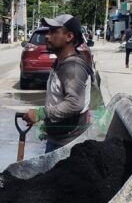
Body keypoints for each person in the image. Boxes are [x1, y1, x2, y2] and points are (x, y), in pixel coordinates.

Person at [22, 15, 93, 153]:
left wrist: (41, 114)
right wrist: (48, 125)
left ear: (69, 36)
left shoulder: (72, 68)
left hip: (68, 145)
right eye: (48, 32)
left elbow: (74, 104)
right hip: (59, 139)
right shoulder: (61, 63)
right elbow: (58, 99)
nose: (47, 36)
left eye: (53, 31)